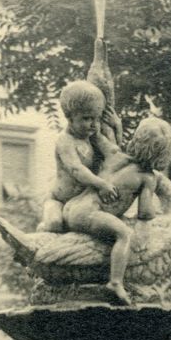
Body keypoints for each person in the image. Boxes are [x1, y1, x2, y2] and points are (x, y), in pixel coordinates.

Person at [62, 116, 171, 305]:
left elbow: (97, 135)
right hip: (86, 215)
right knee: (125, 234)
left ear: (138, 139)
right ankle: (115, 282)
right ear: (164, 154)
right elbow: (145, 214)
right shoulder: (148, 178)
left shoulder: (115, 154)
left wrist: (116, 125)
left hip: (71, 208)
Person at [38, 80, 119, 235]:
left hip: (81, 202)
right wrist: (102, 184)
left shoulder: (94, 136)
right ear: (70, 118)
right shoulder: (65, 141)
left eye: (97, 118)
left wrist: (117, 127)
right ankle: (42, 230)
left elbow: (114, 154)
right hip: (60, 201)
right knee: (55, 224)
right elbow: (77, 169)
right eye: (87, 118)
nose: (94, 124)